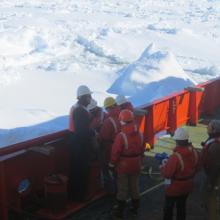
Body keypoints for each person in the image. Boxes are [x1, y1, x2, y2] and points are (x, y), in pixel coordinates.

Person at [109, 109, 145, 219]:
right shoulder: (140, 133)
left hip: (124, 165)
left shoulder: (121, 136)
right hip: (136, 163)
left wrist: (111, 164)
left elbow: (115, 152)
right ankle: (135, 208)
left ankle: (119, 212)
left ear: (122, 121)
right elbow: (142, 149)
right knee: (135, 186)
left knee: (122, 188)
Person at [160, 127, 199, 220]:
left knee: (168, 209)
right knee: (181, 207)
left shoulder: (175, 156)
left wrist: (162, 167)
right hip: (188, 185)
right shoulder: (195, 152)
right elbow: (197, 167)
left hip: (174, 187)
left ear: (177, 140)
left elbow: (167, 174)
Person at [68, 85, 95, 201]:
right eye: (89, 96)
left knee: (75, 170)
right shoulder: (81, 111)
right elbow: (82, 131)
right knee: (81, 171)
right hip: (80, 146)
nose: (90, 99)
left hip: (74, 143)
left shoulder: (76, 107)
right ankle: (80, 196)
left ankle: (73, 195)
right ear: (84, 97)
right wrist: (93, 134)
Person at [99, 97, 121, 191]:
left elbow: (103, 137)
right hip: (123, 148)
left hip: (111, 149)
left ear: (108, 108)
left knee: (110, 170)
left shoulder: (108, 121)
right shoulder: (122, 114)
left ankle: (113, 191)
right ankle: (122, 189)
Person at [201, 120, 220, 220]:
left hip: (213, 177)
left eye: (208, 127)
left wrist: (210, 183)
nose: (207, 129)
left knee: (212, 200)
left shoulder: (216, 145)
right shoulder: (213, 140)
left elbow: (215, 166)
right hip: (210, 173)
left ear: (213, 130)